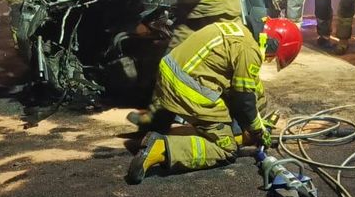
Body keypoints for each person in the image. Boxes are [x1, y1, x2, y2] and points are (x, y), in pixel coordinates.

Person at [125, 17, 302, 183]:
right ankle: (161, 148)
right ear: (273, 43)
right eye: (272, 57)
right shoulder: (250, 50)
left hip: (173, 73)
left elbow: (249, 87)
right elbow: (243, 100)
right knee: (226, 149)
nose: (268, 60)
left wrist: (257, 120)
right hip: (187, 88)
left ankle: (236, 132)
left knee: (255, 88)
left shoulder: (240, 29)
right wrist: (257, 130)